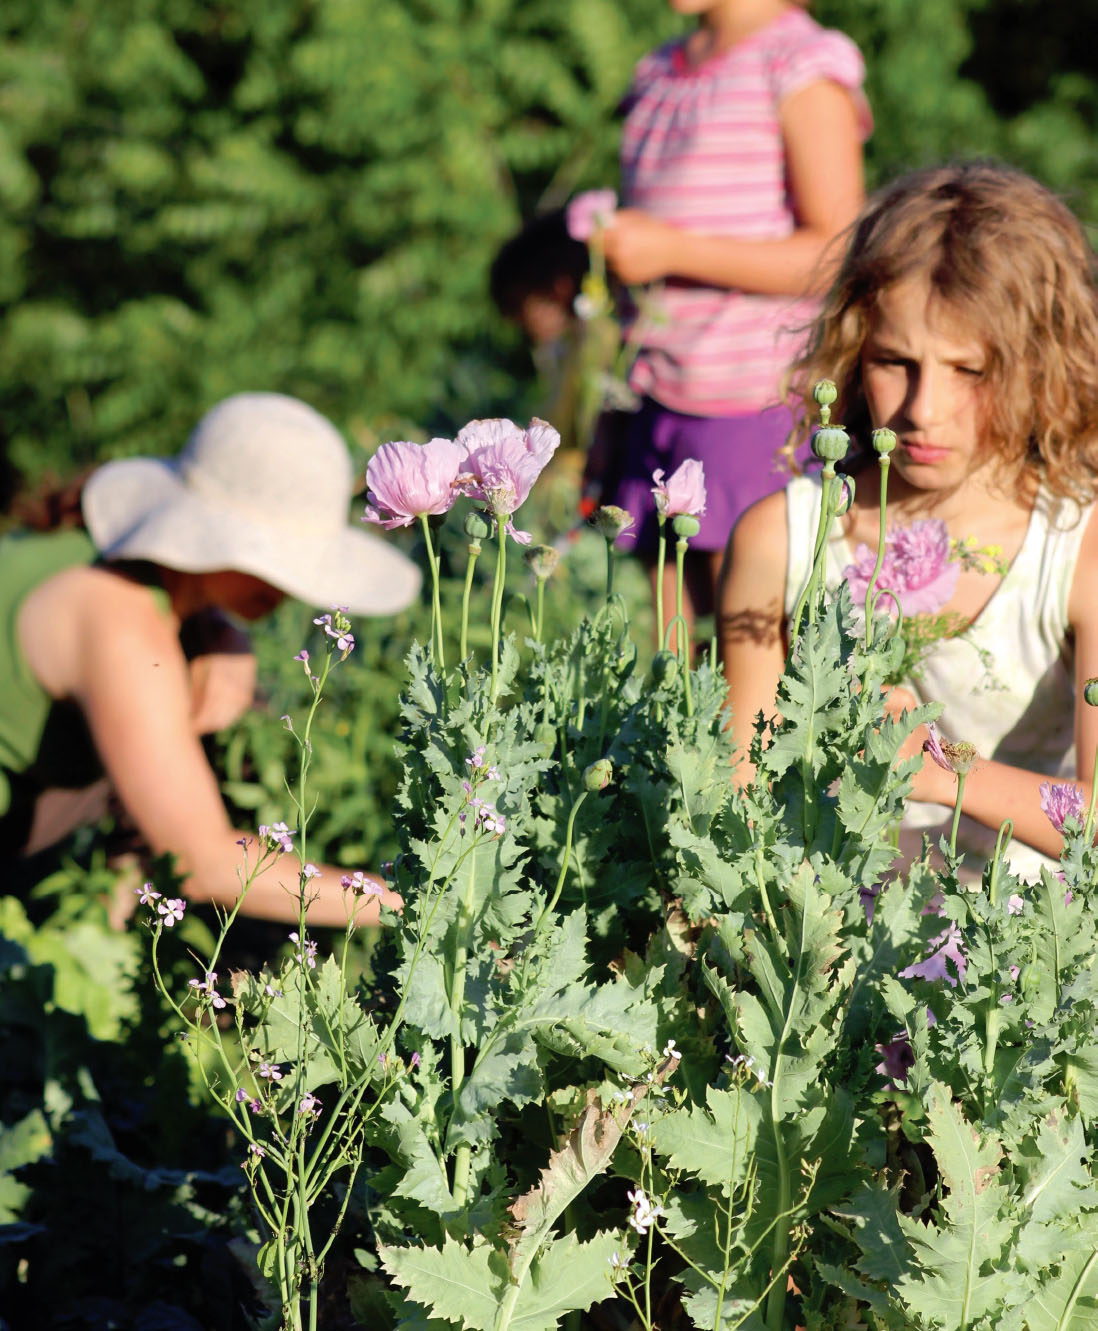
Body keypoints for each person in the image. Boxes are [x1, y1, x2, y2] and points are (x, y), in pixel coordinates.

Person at [718, 161, 1098, 879]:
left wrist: (944, 770)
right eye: (895, 361)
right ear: (857, 352)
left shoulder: (1079, 547)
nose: (923, 410)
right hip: (821, 933)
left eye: (970, 370)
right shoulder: (786, 539)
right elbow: (740, 803)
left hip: (1026, 950)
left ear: (1044, 367)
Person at [1, 392, 422, 924]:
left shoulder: (106, 560)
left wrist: (221, 633)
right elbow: (204, 863)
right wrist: (416, 907)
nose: (291, 590)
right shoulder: (120, 623)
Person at [596, 0, 871, 648]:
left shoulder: (798, 66)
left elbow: (836, 251)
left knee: (751, 629)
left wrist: (669, 251)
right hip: (659, 388)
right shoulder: (661, 69)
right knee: (669, 629)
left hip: (754, 397)